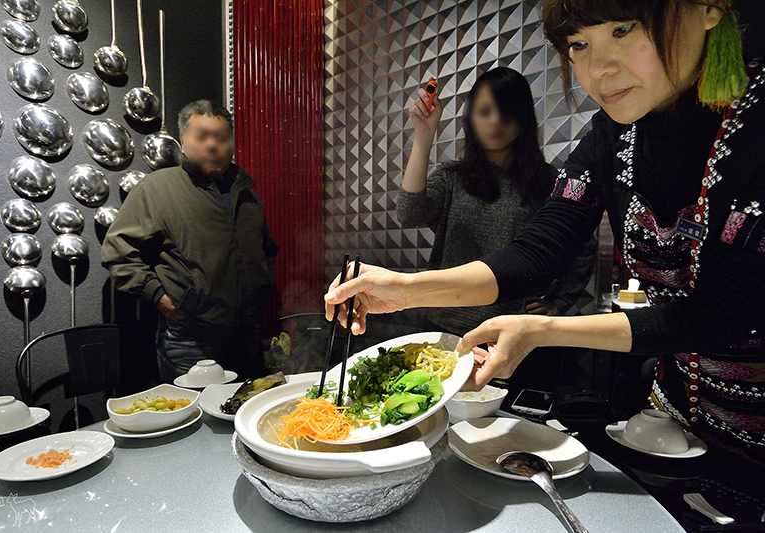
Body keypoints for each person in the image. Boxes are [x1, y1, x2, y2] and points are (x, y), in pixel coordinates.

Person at [325, 0, 765, 458]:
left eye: (623, 30)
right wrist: (404, 289)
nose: (598, 68)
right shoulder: (609, 137)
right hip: (675, 418)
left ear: (709, 8)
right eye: (578, 43)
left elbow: (728, 312)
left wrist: (542, 328)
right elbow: (536, 253)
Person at [397, 67, 596, 338]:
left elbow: (583, 246)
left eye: (506, 111)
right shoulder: (452, 177)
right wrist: (424, 134)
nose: (495, 121)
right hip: (444, 327)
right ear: (471, 118)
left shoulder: (547, 180)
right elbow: (409, 213)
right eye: (484, 111)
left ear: (523, 116)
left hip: (515, 332)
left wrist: (558, 302)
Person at [102, 100, 277, 383]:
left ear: (231, 143)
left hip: (246, 332)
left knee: (243, 414)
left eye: (221, 137)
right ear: (183, 142)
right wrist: (157, 295)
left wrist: (260, 291)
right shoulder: (157, 188)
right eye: (202, 136)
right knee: (194, 417)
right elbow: (118, 251)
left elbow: (266, 251)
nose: (212, 145)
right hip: (190, 336)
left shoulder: (246, 194)